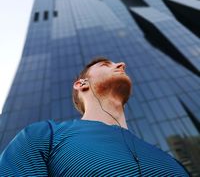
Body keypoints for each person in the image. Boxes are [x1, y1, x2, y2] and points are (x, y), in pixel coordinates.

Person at [0, 57, 189, 176]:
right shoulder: (42, 136)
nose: (122, 65)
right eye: (106, 65)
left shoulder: (173, 163)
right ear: (81, 84)